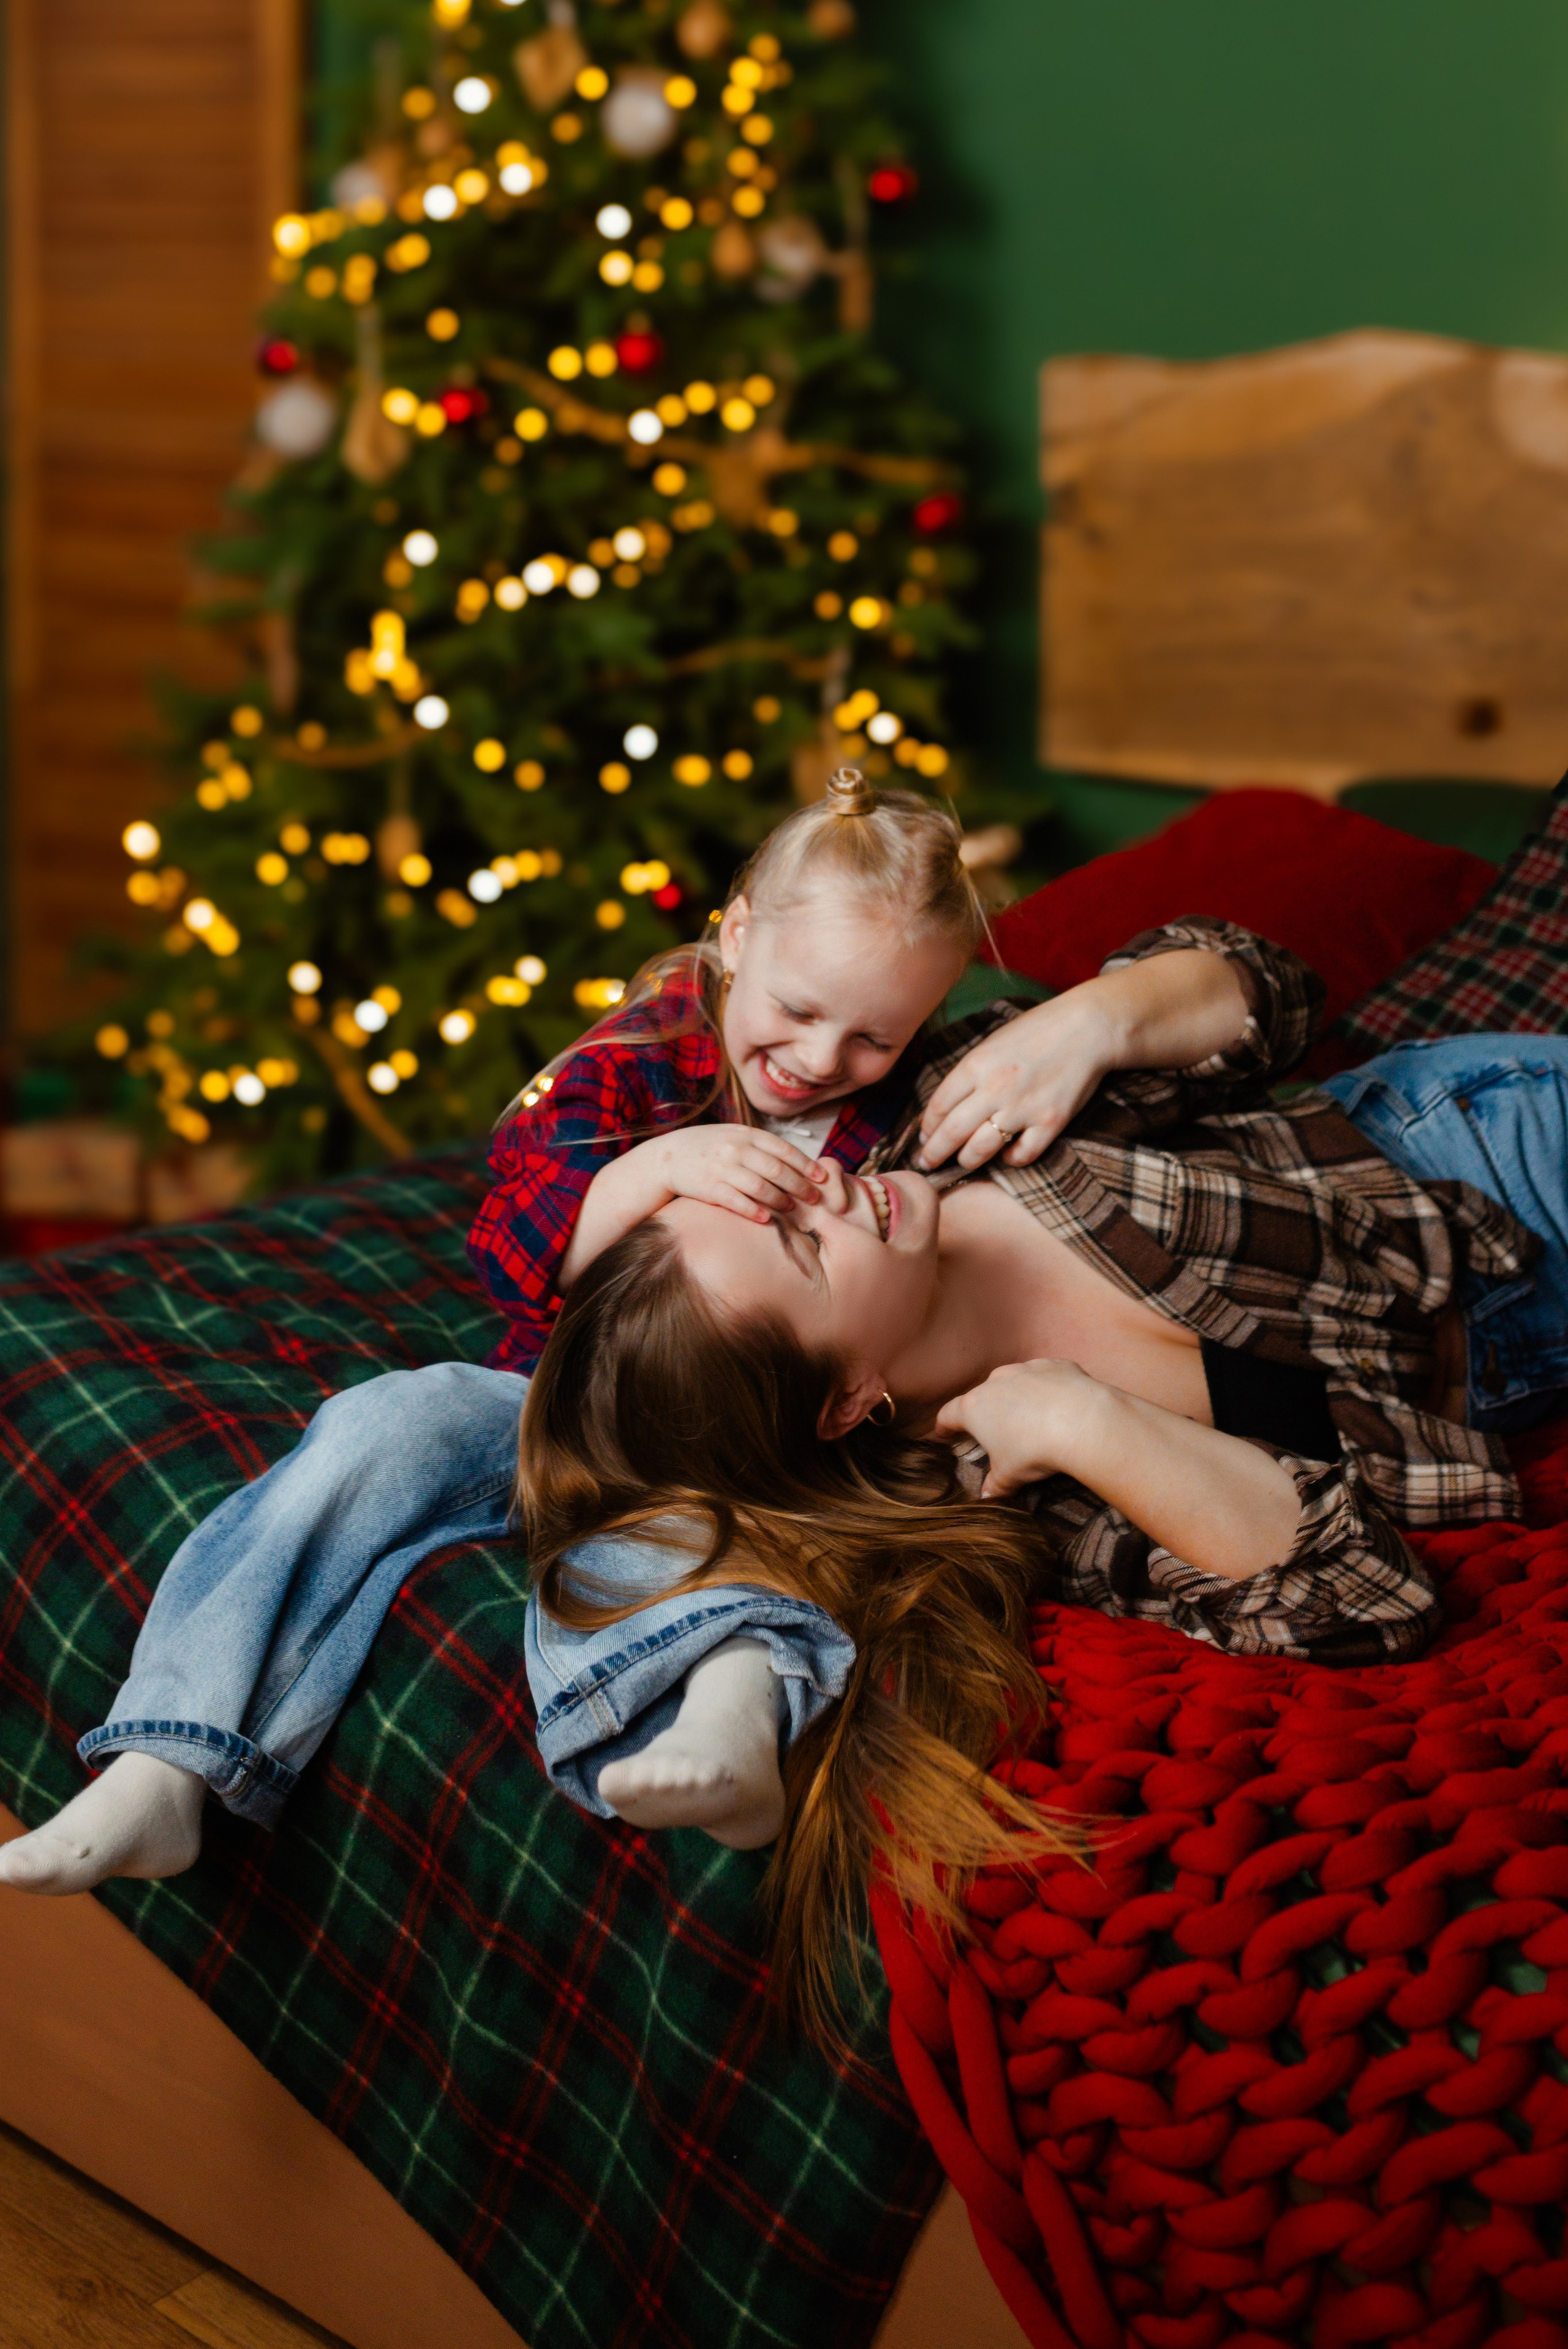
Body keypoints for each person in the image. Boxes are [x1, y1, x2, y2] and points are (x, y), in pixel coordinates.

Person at [518, 918, 1568, 2031]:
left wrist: (1096, 1022)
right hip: (1520, 1369)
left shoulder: (955, 1125)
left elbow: (1274, 988)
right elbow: (1368, 1593)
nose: (826, 1189)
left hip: (1489, 1148)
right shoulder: (1017, 1487)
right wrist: (1086, 1416)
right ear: (843, 1401)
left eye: (776, 1187)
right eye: (803, 1247)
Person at [0, 771, 1019, 1896]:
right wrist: (653, 1172)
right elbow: (511, 1231)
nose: (825, 1059)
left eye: (875, 1035)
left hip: (745, 1429)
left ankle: (730, 1714)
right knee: (380, 1427)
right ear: (733, 940)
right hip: (556, 1386)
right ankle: (166, 1757)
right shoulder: (649, 1048)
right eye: (799, 1009)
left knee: (658, 1528)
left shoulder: (906, 1104)